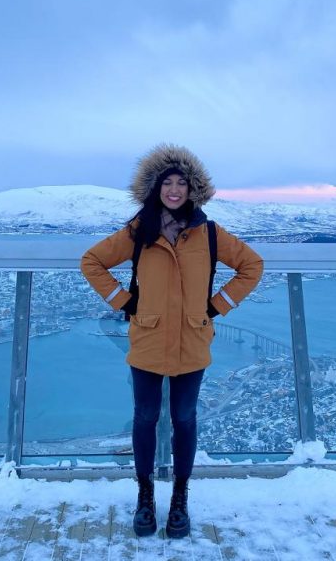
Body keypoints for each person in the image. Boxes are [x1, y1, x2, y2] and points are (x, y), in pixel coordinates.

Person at [80, 144, 263, 538]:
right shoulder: (138, 230)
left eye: (182, 183)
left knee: (184, 419)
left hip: (193, 341)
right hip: (147, 339)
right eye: (168, 183)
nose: (175, 189)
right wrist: (125, 302)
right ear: (155, 188)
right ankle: (145, 496)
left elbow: (252, 265)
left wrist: (215, 307)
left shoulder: (209, 233)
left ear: (194, 189)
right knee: (145, 417)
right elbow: (92, 261)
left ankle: (180, 498)